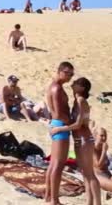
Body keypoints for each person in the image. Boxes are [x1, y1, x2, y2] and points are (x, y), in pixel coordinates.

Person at [50, 77, 101, 205]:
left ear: (82, 88)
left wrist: (60, 128)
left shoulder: (81, 101)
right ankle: (89, 202)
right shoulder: (76, 101)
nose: (72, 83)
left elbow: (78, 124)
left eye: (76, 83)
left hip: (84, 139)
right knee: (85, 173)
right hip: (79, 139)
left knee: (90, 174)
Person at [45, 61, 74, 205]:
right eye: (68, 73)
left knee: (53, 164)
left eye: (72, 74)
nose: (70, 77)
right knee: (58, 164)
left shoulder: (54, 86)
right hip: (60, 125)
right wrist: (71, 123)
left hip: (56, 124)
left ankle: (48, 196)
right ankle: (54, 200)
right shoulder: (56, 88)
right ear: (60, 71)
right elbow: (57, 112)